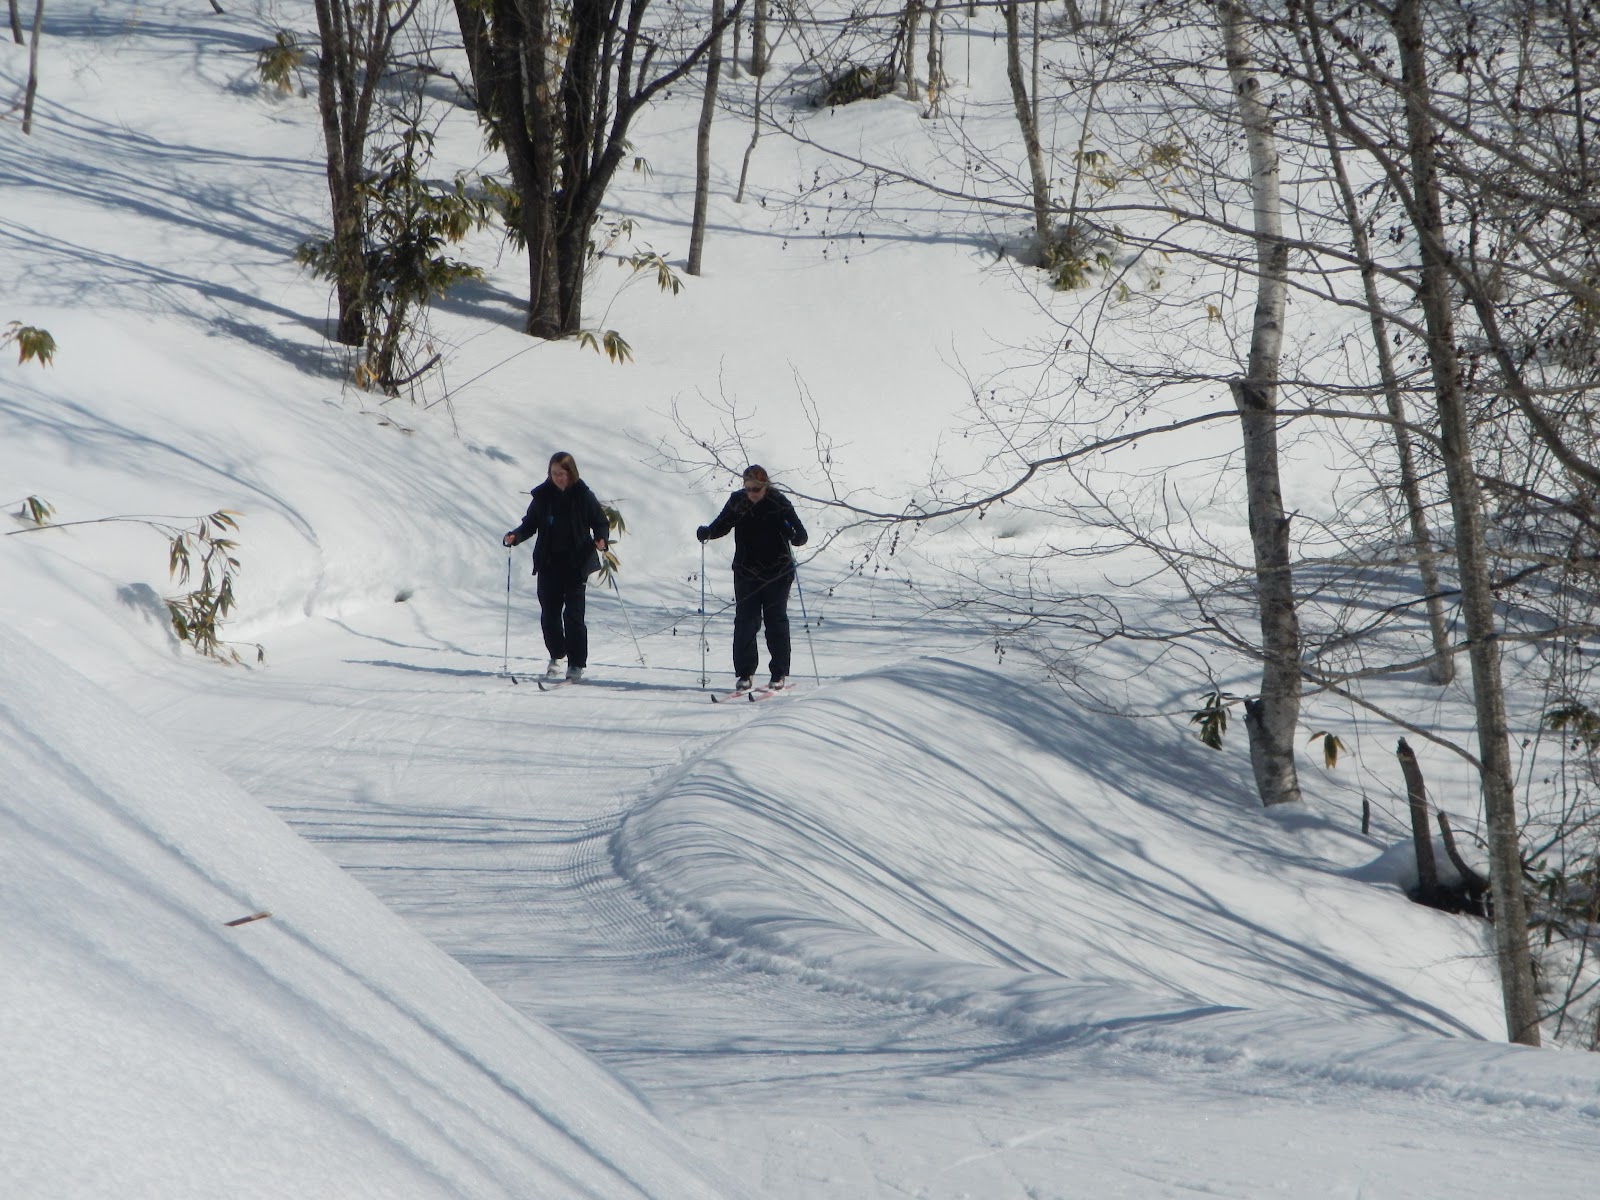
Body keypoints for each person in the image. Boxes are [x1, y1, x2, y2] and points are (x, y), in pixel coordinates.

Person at [697, 465, 809, 692]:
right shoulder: (739, 501)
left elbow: (801, 534)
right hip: (746, 571)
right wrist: (708, 532)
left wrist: (793, 536)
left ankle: (778, 672)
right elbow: (722, 524)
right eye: (748, 488)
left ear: (765, 486)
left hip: (777, 572)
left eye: (756, 489)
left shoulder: (778, 502)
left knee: (775, 620)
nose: (752, 493)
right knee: (745, 621)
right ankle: (745, 673)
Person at [503, 452, 610, 683]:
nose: (558, 478)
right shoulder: (543, 497)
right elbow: (530, 524)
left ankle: (576, 663)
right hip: (549, 562)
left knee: (573, 615)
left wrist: (601, 538)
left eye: (562, 474)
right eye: (554, 474)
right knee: (549, 615)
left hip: (576, 563)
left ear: (571, 473)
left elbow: (600, 522)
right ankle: (557, 655)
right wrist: (515, 536)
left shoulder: (583, 495)